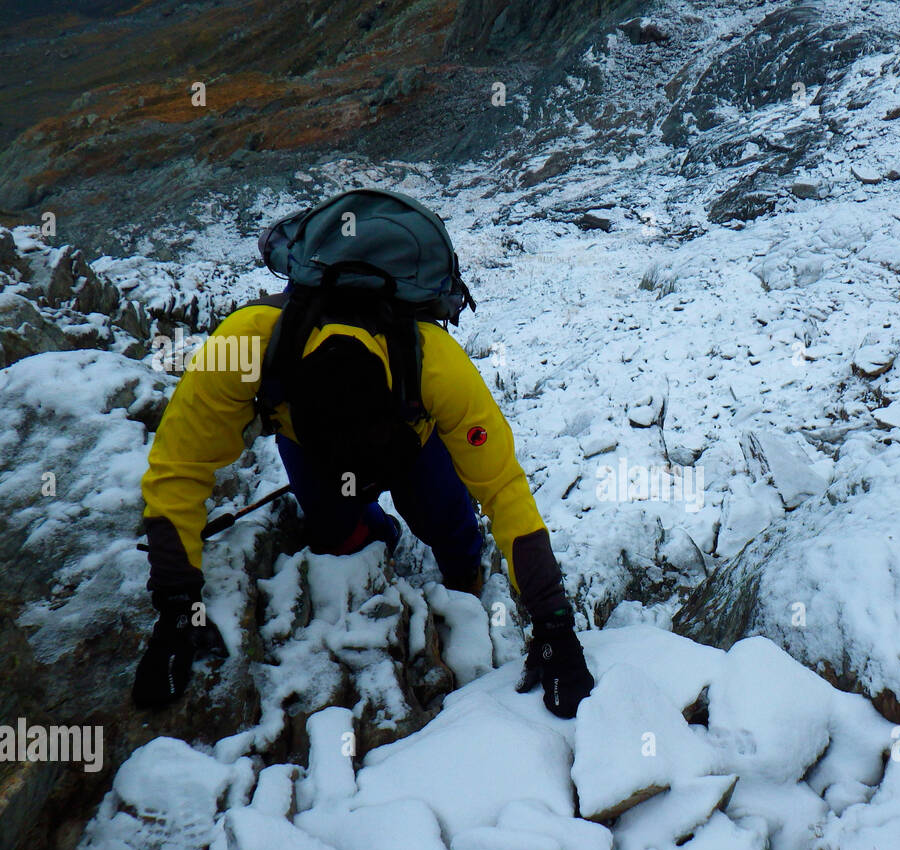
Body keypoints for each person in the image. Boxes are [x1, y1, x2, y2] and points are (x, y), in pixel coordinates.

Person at [132, 216, 595, 719]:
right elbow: (179, 464)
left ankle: (463, 584)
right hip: (315, 449)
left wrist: (554, 624)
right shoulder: (247, 344)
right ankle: (378, 533)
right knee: (337, 536)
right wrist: (176, 604)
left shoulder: (435, 363)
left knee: (451, 530)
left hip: (411, 448)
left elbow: (503, 488)